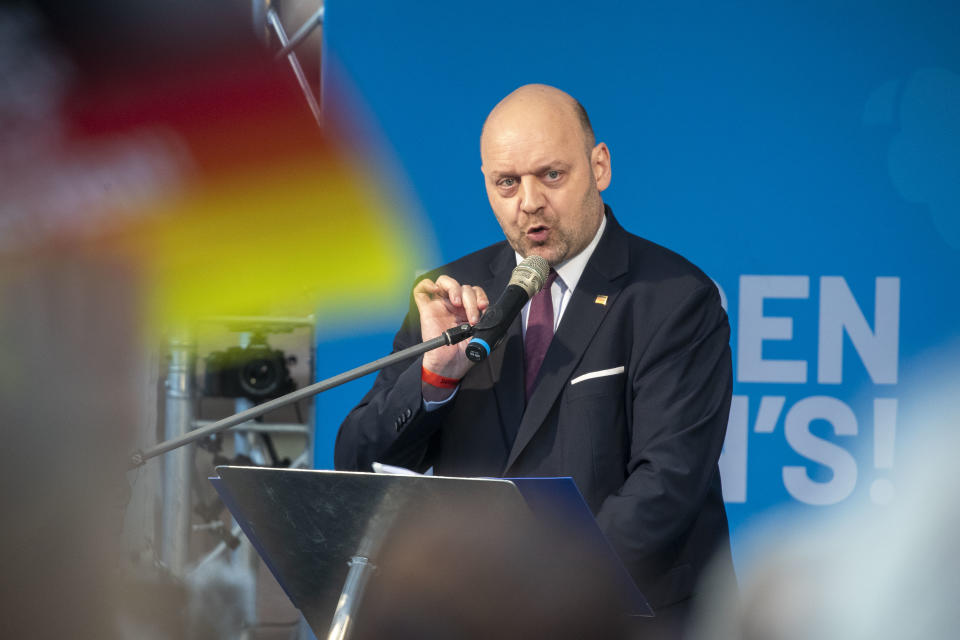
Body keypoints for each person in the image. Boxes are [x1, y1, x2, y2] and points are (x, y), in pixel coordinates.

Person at [335, 84, 735, 636]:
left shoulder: (673, 297)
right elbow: (356, 463)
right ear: (486, 185)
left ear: (600, 167)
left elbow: (666, 487)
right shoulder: (451, 293)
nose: (529, 202)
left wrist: (541, 604)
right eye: (507, 183)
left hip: (617, 619)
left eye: (551, 175)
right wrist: (435, 377)